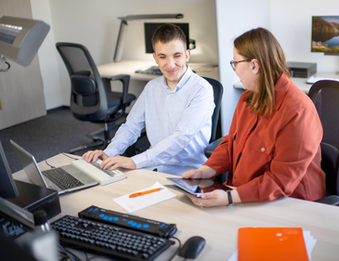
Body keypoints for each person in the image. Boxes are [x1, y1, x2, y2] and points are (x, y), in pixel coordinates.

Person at [182, 28, 326, 208]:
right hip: (246, 194)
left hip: (292, 203)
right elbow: (231, 143)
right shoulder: (247, 99)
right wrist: (204, 171)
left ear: (254, 66)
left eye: (235, 62)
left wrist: (230, 198)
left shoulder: (298, 112)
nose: (234, 69)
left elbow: (281, 180)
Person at [82, 24, 215, 175]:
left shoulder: (201, 89)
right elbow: (131, 126)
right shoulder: (152, 87)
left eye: (177, 56)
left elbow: (180, 138)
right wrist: (109, 152)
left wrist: (134, 161)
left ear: (187, 55)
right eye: (162, 57)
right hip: (151, 167)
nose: (170, 64)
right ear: (155, 58)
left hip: (186, 173)